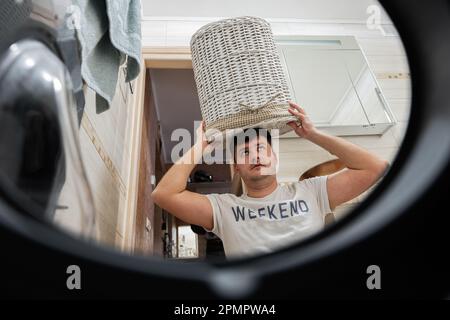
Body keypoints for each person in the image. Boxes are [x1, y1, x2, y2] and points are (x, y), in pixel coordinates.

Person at [151, 101, 389, 258]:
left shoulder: (312, 191)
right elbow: (164, 195)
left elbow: (375, 167)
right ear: (236, 168)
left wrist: (313, 135)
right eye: (245, 152)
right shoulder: (223, 209)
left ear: (274, 158)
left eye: (261, 149)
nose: (255, 155)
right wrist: (200, 144)